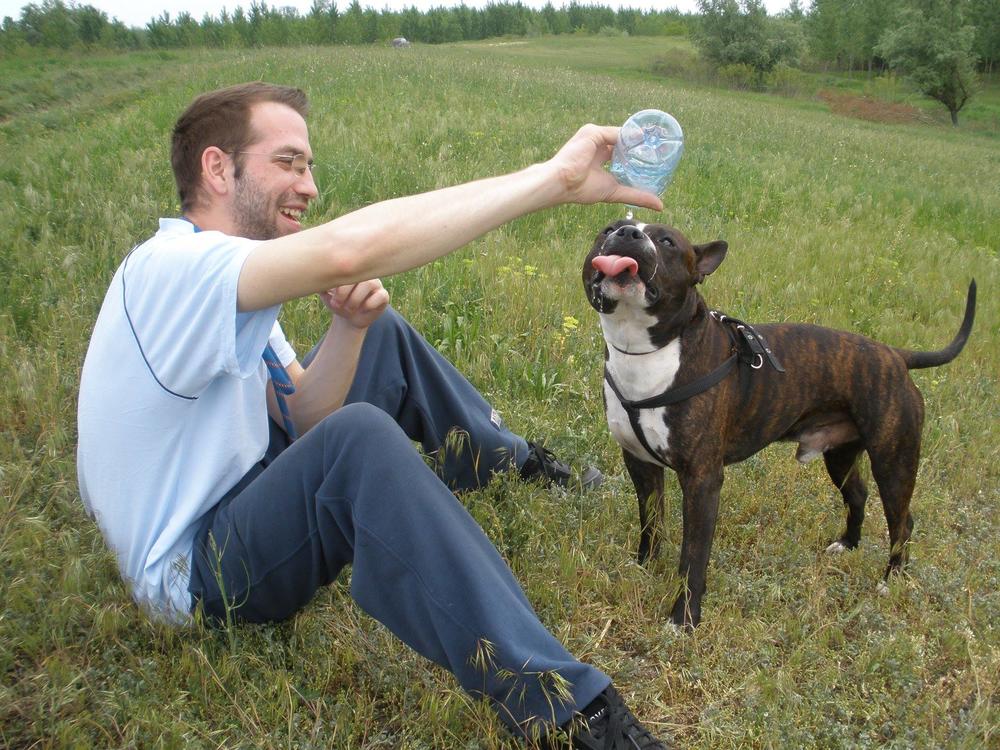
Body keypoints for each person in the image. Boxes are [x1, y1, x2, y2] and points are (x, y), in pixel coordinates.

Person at [77, 82, 668, 748]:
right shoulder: (172, 270)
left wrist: (351, 331)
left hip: (239, 491)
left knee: (380, 336)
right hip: (194, 572)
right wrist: (553, 179)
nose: (310, 185)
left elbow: (303, 416)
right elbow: (347, 251)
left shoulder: (216, 277)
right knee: (357, 442)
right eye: (290, 162)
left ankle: (506, 459)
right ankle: (567, 712)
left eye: (309, 166)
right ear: (218, 169)